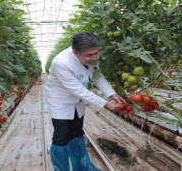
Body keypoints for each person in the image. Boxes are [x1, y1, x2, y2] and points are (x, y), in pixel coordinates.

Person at [45, 31, 125, 171]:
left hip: (78, 101)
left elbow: (97, 76)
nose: (94, 58)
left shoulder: (90, 59)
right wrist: (106, 104)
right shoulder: (61, 62)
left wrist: (112, 94)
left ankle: (82, 168)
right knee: (62, 136)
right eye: (90, 55)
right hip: (61, 102)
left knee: (76, 132)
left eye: (96, 53)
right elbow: (78, 90)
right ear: (76, 53)